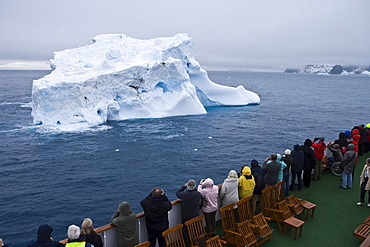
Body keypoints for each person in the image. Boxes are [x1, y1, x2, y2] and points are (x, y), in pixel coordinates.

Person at [176, 180, 202, 245]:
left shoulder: (183, 194)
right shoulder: (198, 194)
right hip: (195, 215)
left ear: (187, 186)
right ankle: (195, 241)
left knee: (185, 230)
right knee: (195, 229)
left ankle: (186, 243)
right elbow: (197, 193)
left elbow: (178, 193)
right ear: (194, 186)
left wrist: (184, 187)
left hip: (186, 215)